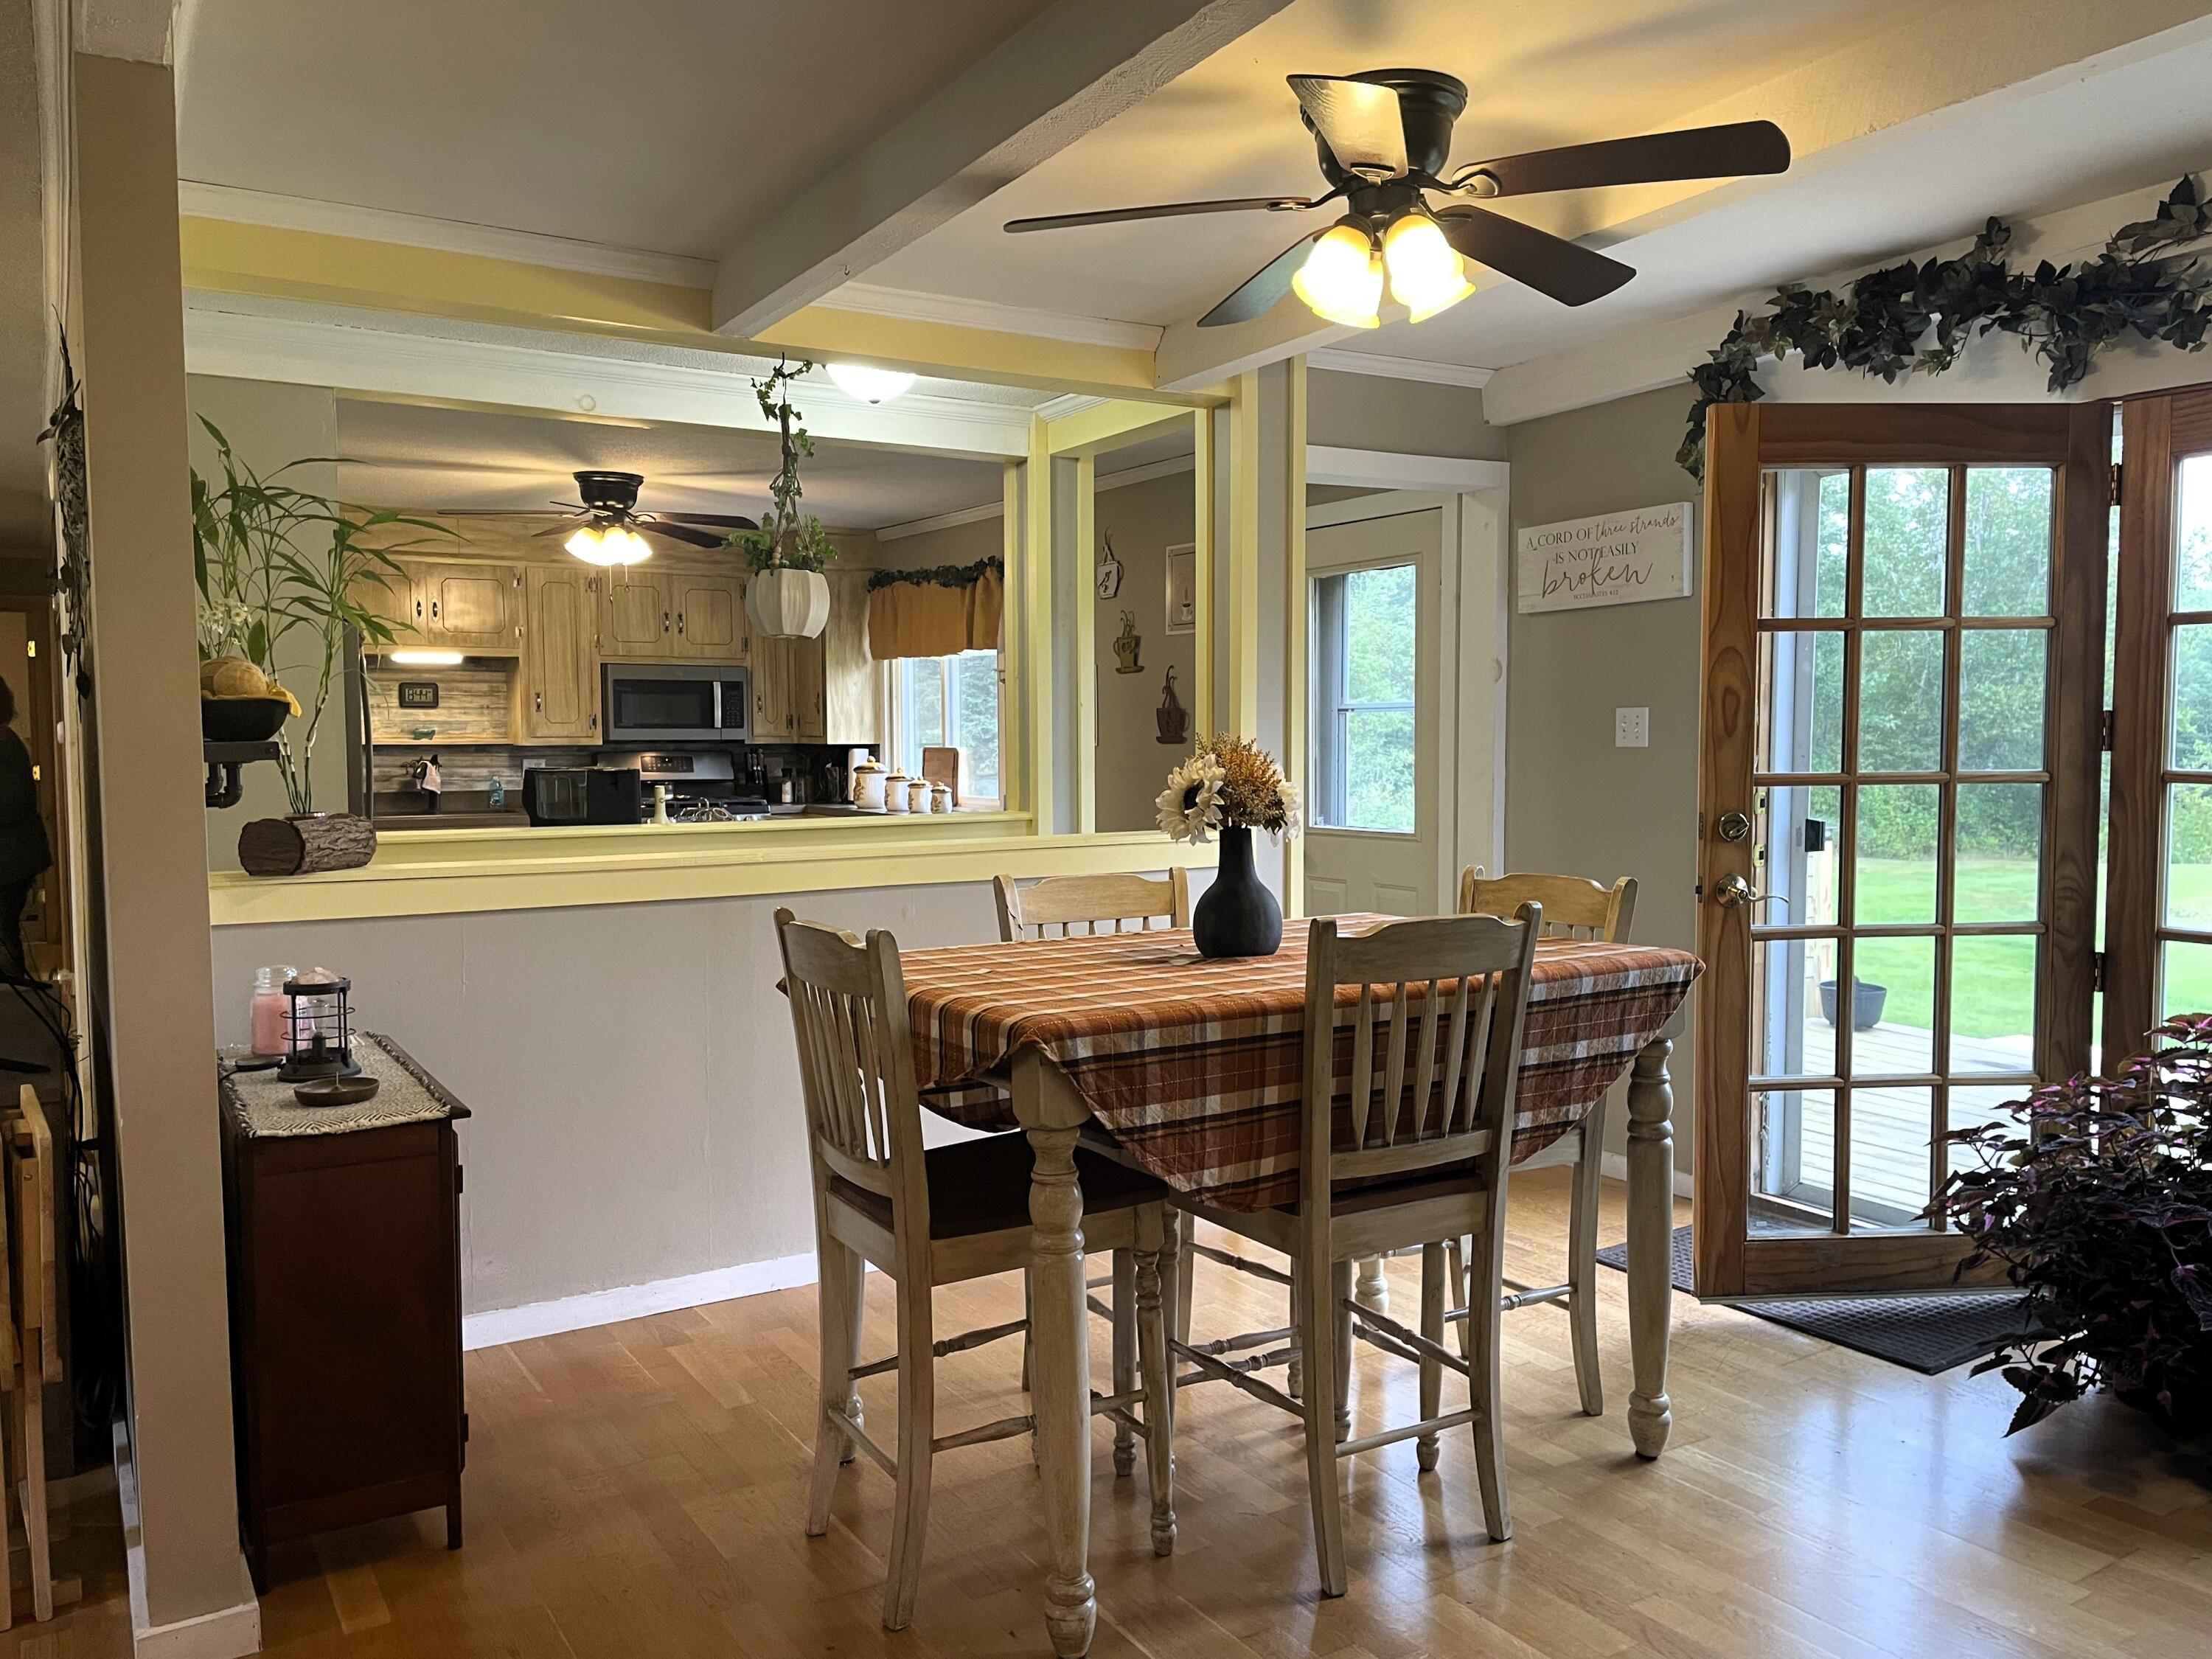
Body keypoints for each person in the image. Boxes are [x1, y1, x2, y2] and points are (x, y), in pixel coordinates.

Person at [0, 679, 52, 981]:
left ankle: (13, 991)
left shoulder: (8, 750)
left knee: (4, 929)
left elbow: (11, 805)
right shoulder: (10, 746)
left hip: (13, 860)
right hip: (15, 858)